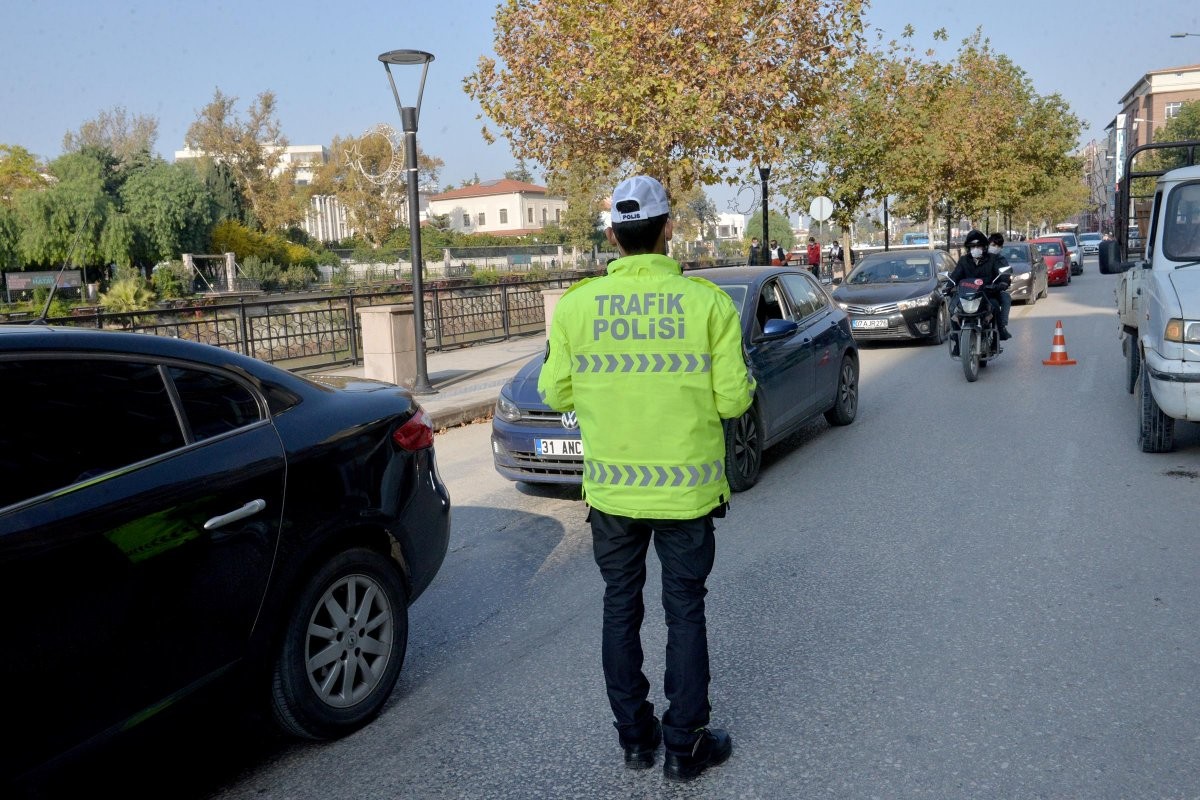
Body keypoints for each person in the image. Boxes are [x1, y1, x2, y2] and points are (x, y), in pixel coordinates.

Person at [539, 174, 755, 783]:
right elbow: (734, 400)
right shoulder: (707, 304)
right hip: (686, 493)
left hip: (613, 493)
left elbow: (555, 391)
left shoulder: (577, 306)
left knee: (620, 607)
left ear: (612, 234)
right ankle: (685, 747)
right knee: (684, 610)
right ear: (669, 230)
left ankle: (635, 740)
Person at [947, 229, 1008, 351]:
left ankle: (995, 341)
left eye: (978, 246)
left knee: (995, 306)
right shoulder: (964, 260)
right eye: (972, 246)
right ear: (968, 248)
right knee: (952, 308)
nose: (975, 249)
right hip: (966, 296)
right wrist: (948, 286)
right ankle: (958, 342)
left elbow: (1002, 276)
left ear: (984, 247)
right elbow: (955, 276)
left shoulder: (993, 259)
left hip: (987, 295)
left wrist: (1003, 282)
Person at [987, 232, 1012, 340]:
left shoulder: (1001, 260)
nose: (995, 248)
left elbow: (1005, 275)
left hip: (993, 291)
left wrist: (1003, 283)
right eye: (993, 245)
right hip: (977, 291)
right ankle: (956, 336)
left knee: (1005, 298)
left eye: (998, 246)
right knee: (955, 306)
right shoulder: (979, 258)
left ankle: (1002, 326)